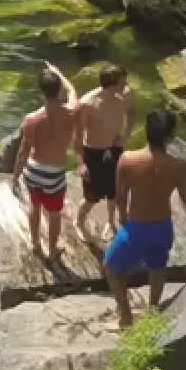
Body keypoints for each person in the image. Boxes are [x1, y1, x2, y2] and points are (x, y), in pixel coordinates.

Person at [104, 110, 186, 329]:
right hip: (162, 227)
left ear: (146, 132)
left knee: (111, 268)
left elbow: (120, 196)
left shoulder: (127, 159)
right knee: (157, 268)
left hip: (136, 228)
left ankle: (126, 318)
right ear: (170, 137)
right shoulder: (178, 166)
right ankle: (152, 311)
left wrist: (121, 218)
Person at [13, 61, 80, 263]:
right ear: (58, 89)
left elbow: (23, 152)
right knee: (54, 213)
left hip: (33, 170)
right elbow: (72, 91)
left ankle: (35, 244)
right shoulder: (71, 112)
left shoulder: (31, 119)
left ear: (40, 91)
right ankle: (52, 250)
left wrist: (16, 176)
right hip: (54, 174)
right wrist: (58, 72)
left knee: (34, 205)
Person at [75, 65, 134, 243]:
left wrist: (125, 135)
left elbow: (132, 113)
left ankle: (110, 221)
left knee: (114, 191)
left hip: (114, 150)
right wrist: (81, 163)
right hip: (93, 153)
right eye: (123, 82)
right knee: (91, 197)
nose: (127, 85)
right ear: (112, 84)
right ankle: (79, 222)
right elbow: (77, 137)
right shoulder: (88, 104)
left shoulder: (124, 96)